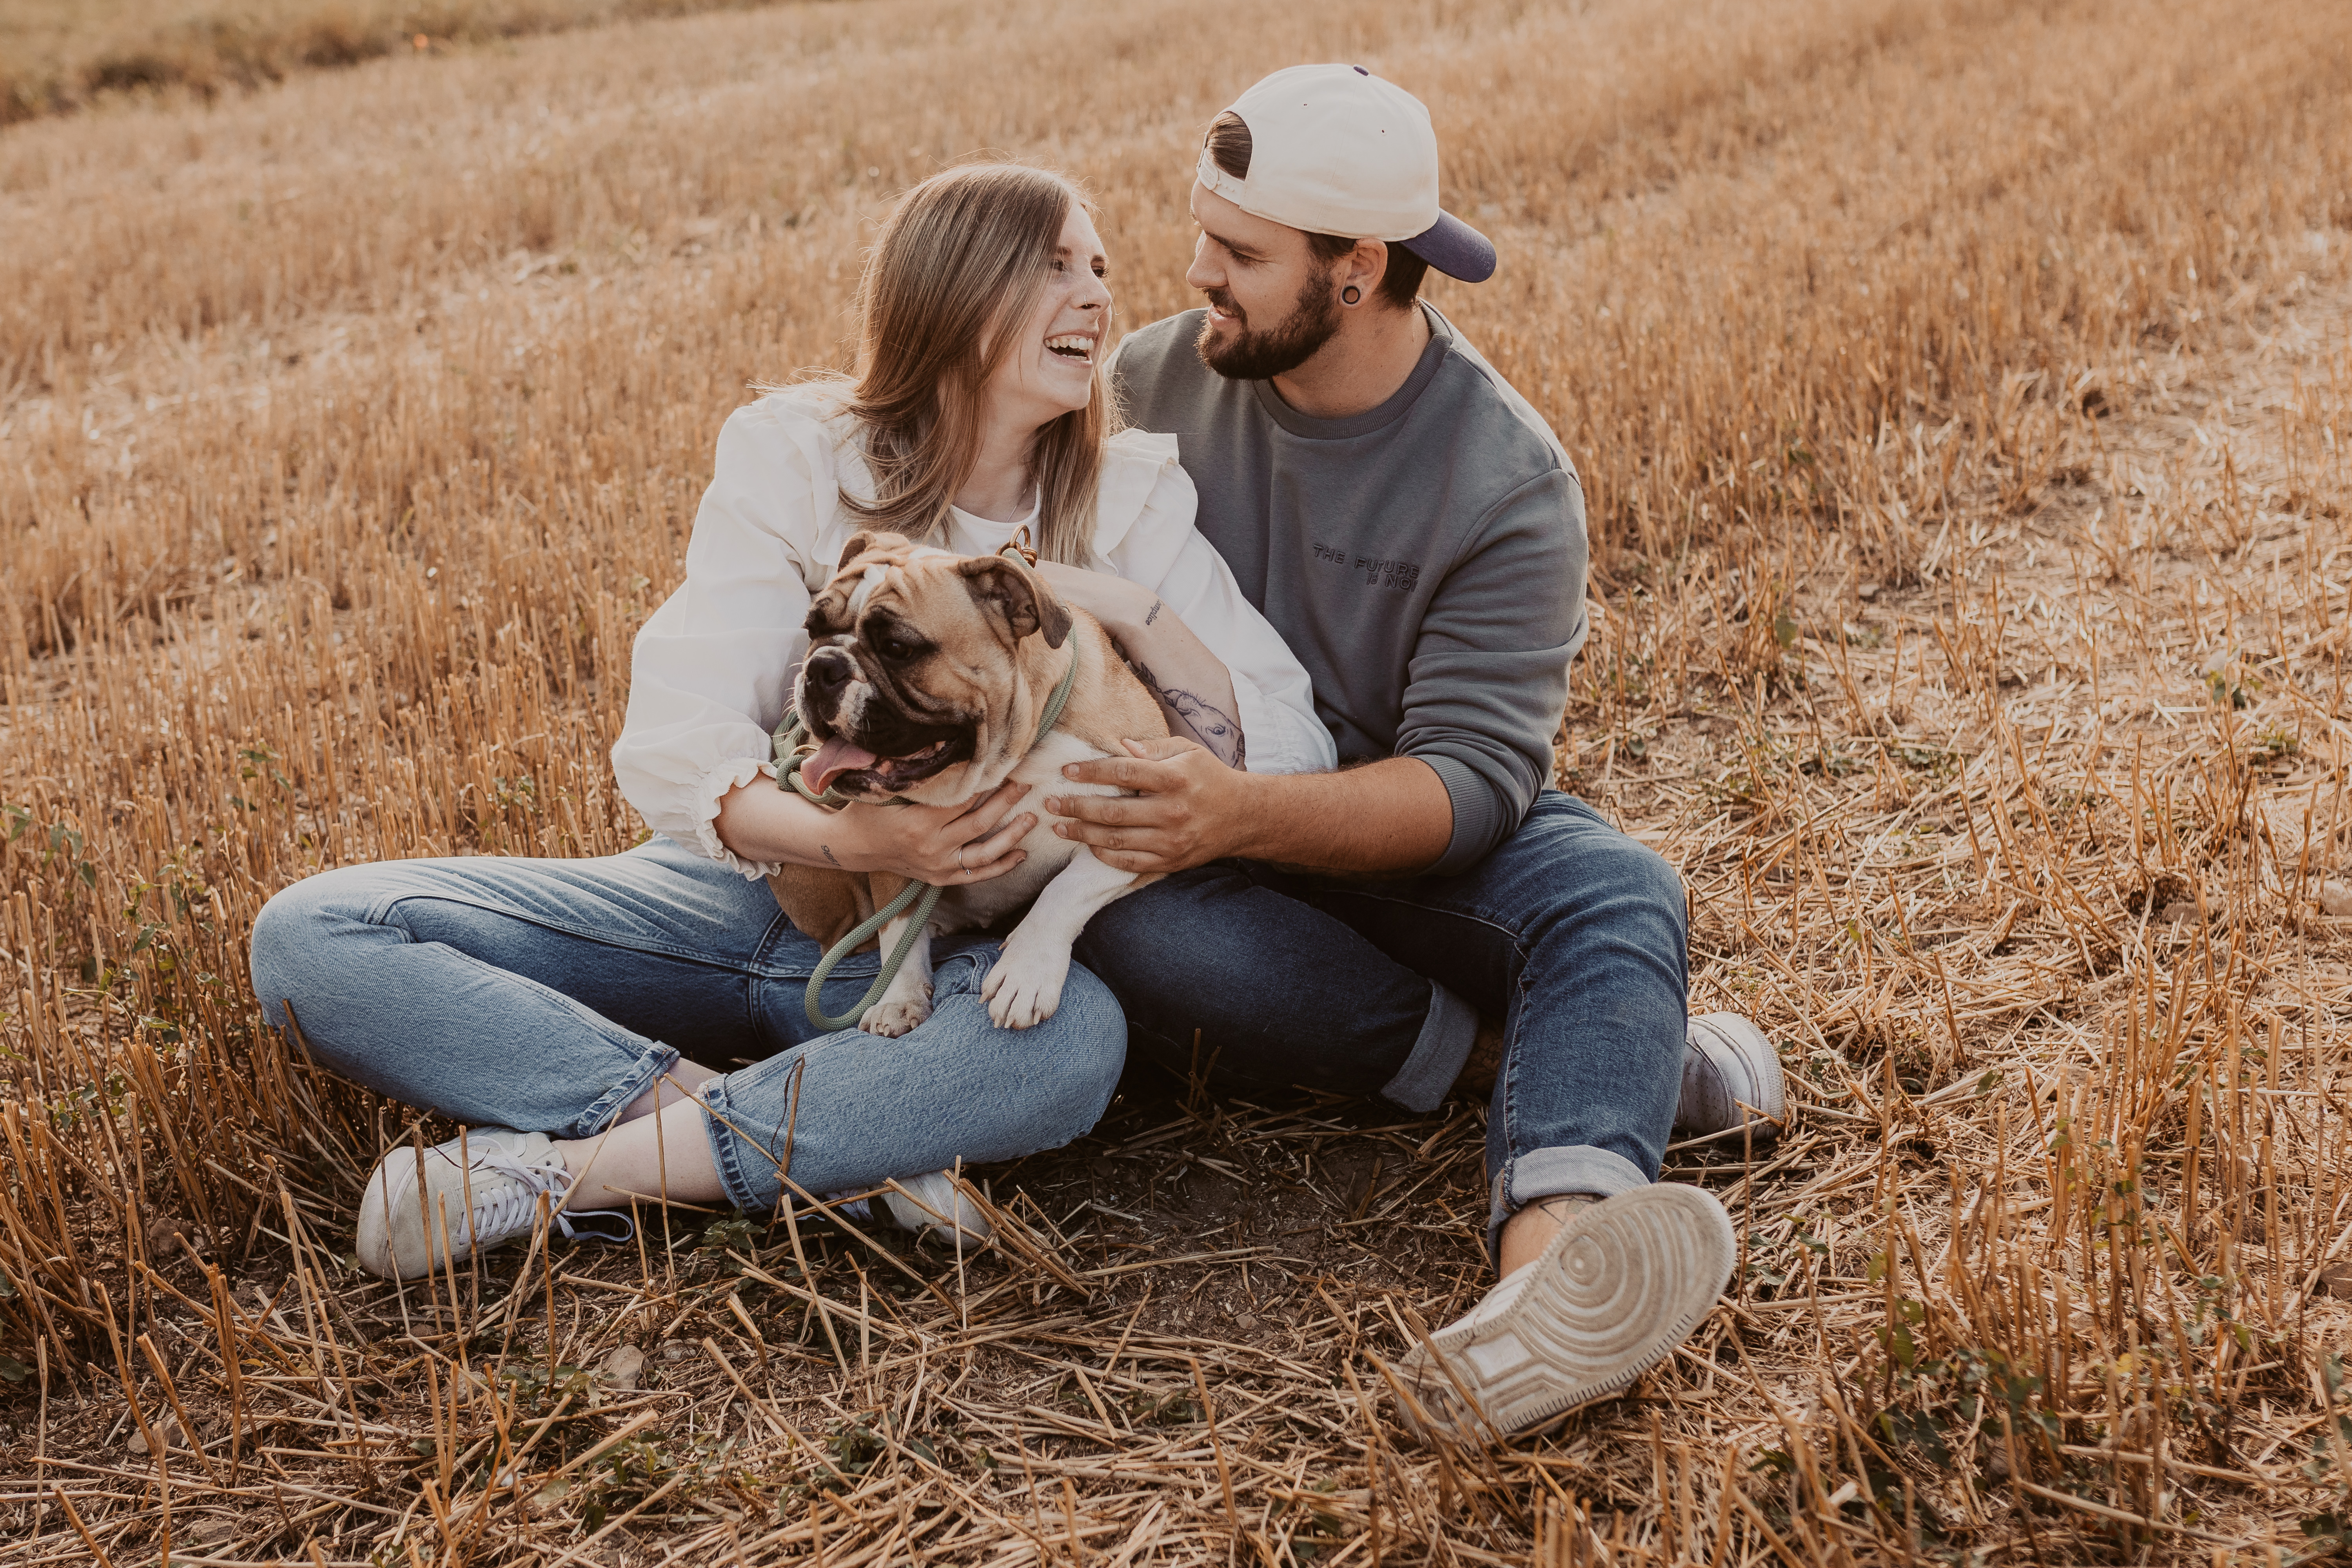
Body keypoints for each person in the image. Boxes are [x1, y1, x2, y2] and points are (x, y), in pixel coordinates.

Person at [247, 161, 1337, 1282]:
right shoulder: (800, 451)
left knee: (1065, 1046)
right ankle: (799, 1141)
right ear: (956, 293)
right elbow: (676, 731)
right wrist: (856, 842)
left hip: (939, 948)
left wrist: (1127, 606)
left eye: (1100, 269)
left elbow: (1287, 742)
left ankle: (560, 1176)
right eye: (1056, 265)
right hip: (731, 895)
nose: (1098, 296)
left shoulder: (1126, 497)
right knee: (312, 937)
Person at [1045, 65, 1787, 1437]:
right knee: (1138, 938)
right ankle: (1572, 1063)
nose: (1197, 270)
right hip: (1188, 837)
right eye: (1204, 231)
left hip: (1382, 826)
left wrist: (1239, 812)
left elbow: (1466, 792)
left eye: (1244, 254)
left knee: (1619, 894)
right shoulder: (1143, 384)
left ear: (1359, 269)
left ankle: (1553, 1287)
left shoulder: (1504, 480)